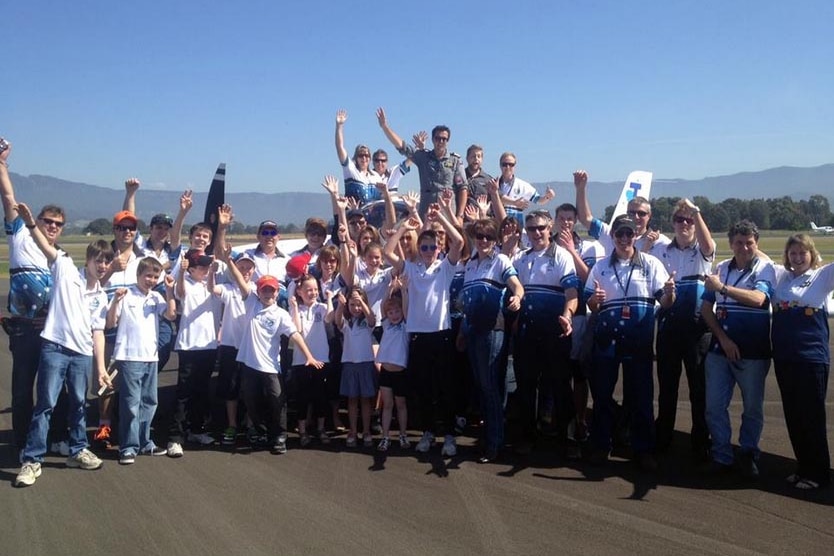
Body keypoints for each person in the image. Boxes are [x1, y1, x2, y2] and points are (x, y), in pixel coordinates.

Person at [13, 203, 111, 487]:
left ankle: (78, 450)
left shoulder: (101, 296)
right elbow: (45, 246)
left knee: (79, 404)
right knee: (45, 403)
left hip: (81, 354)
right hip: (55, 348)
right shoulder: (66, 268)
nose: (102, 266)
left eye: (106, 261)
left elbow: (98, 332)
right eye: (98, 260)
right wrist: (32, 224)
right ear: (88, 260)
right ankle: (32, 459)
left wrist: (101, 368)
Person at [216, 224, 324, 454]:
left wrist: (310, 356)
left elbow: (295, 335)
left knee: (277, 400)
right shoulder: (252, 302)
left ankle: (279, 436)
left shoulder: (282, 314)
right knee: (252, 401)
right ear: (259, 291)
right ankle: (262, 431)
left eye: (271, 290)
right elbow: (239, 280)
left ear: (277, 292)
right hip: (249, 364)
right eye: (264, 290)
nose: (267, 293)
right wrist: (229, 262)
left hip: (270, 367)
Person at [585, 215, 675, 470]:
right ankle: (602, 445)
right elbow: (589, 302)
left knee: (641, 396)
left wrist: (670, 294)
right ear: (612, 236)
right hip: (607, 340)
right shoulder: (601, 266)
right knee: (602, 395)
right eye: (619, 234)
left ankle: (643, 449)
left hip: (639, 341)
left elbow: (666, 303)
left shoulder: (651, 264)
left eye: (629, 234)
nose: (624, 239)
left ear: (636, 235)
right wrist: (596, 301)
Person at [1, 141, 68, 450]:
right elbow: (8, 196)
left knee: (52, 387)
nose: (52, 227)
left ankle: (53, 437)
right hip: (24, 327)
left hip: (52, 330)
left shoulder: (60, 255)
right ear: (37, 221)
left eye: (57, 224)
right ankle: (20, 441)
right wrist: (2, 165)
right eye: (48, 222)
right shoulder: (20, 235)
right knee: (21, 388)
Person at [384, 207, 465, 456]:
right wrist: (404, 228)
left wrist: (439, 217)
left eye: (432, 247)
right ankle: (429, 432)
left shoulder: (445, 267)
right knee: (424, 389)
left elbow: (460, 241)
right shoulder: (410, 268)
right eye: (424, 247)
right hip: (417, 336)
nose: (429, 252)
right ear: (419, 250)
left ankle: (449, 436)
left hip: (441, 335)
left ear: (438, 249)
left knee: (445, 388)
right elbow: (388, 251)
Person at [701, 219, 775, 478]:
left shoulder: (765, 270)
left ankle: (748, 453)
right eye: (739, 243)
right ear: (731, 244)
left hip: (753, 352)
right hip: (721, 350)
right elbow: (705, 308)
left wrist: (722, 288)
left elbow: (758, 299)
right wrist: (722, 338)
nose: (744, 248)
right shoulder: (721, 267)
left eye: (749, 243)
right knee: (714, 406)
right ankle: (722, 454)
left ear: (756, 244)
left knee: (752, 407)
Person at [653, 199, 715, 461]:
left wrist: (696, 211)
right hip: (668, 329)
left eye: (689, 221)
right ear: (673, 224)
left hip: (697, 331)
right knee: (667, 388)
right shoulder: (661, 252)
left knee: (698, 389)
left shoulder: (702, 252)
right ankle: (663, 438)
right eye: (680, 220)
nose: (685, 224)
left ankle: (701, 441)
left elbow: (710, 244)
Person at [512, 210, 578, 455]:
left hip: (555, 331)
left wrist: (568, 316)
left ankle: (568, 439)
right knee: (526, 386)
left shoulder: (562, 256)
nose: (537, 233)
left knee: (561, 385)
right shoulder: (520, 258)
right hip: (528, 332)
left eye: (541, 227)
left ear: (550, 227)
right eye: (531, 229)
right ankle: (528, 436)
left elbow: (572, 293)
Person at [771, 234, 834, 490]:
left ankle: (818, 473)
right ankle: (803, 467)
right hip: (786, 357)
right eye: (793, 254)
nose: (797, 258)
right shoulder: (782, 278)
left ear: (812, 255)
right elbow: (753, 255)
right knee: (794, 415)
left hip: (811, 358)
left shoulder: (822, 276)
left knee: (812, 416)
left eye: (802, 253)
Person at [460, 218, 524, 463]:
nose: (483, 241)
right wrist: (462, 333)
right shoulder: (470, 266)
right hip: (473, 331)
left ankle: (495, 442)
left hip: (493, 330)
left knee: (490, 388)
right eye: (480, 236)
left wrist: (517, 298)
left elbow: (517, 286)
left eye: (488, 237)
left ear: (496, 240)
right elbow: (466, 304)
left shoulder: (500, 260)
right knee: (482, 387)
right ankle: (489, 438)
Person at [106, 257, 178, 464]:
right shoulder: (126, 294)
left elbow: (171, 315)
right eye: (147, 275)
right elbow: (111, 323)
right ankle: (128, 446)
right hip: (129, 355)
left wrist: (170, 290)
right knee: (130, 402)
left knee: (149, 401)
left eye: (155, 276)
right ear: (138, 274)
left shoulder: (156, 297)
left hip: (150, 356)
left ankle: (144, 441)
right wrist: (115, 302)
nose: (151, 280)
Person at [553, 202, 603, 443]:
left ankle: (581, 419)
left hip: (582, 314)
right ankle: (562, 420)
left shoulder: (590, 246)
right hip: (557, 314)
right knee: (558, 371)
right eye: (561, 218)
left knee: (580, 372)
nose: (565, 222)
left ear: (575, 221)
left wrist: (572, 251)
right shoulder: (547, 244)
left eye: (570, 218)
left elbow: (591, 281)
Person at [376, 107, 467, 219]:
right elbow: (402, 146)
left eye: (444, 139)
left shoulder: (455, 160)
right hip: (426, 212)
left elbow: (463, 188)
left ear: (448, 141)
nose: (441, 142)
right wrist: (385, 126)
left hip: (447, 214)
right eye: (438, 138)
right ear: (433, 140)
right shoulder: (423, 157)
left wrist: (460, 215)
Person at [172, 248, 222, 446]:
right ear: (191, 269)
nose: (206, 268)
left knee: (201, 391)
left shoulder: (213, 285)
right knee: (184, 393)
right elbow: (180, 292)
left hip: (209, 346)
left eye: (207, 265)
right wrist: (182, 272)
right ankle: (176, 436)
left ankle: (196, 430)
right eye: (201, 266)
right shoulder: (185, 283)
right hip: (189, 346)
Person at [210, 252, 257, 445]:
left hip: (251, 347)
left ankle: (251, 424)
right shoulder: (228, 288)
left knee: (251, 389)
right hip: (230, 345)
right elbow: (213, 289)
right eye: (242, 267)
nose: (245, 271)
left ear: (254, 270)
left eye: (248, 267)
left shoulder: (257, 289)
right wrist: (212, 271)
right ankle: (232, 424)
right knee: (231, 388)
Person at [574, 169, 670, 255]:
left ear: (649, 215)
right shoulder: (611, 234)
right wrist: (580, 188)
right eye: (631, 213)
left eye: (641, 214)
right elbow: (585, 218)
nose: (636, 217)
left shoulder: (660, 242)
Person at [288, 274, 334, 446]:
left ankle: (321, 429)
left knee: (320, 396)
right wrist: (293, 307)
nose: (312, 293)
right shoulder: (296, 310)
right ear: (300, 291)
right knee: (302, 397)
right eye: (308, 290)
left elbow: (329, 318)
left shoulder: (321, 307)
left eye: (315, 289)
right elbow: (297, 329)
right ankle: (302, 431)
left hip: (321, 358)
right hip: (301, 360)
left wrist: (329, 299)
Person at [334, 285, 377, 448]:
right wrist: (341, 305)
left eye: (358, 304)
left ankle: (366, 431)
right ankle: (353, 431)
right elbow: (337, 321)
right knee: (352, 400)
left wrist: (363, 303)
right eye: (352, 305)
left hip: (365, 363)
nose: (356, 308)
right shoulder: (346, 321)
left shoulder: (367, 321)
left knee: (366, 400)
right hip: (350, 364)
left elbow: (373, 319)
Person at [375, 285, 410, 452]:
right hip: (386, 371)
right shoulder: (386, 325)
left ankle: (403, 435)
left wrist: (403, 291)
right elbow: (383, 305)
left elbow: (406, 307)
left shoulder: (406, 326)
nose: (394, 315)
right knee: (387, 405)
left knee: (401, 404)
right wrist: (388, 289)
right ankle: (385, 437)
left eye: (397, 312)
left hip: (401, 372)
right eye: (391, 313)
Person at [497, 152, 555, 227]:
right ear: (500, 165)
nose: (508, 167)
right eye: (505, 164)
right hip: (497, 225)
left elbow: (539, 201)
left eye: (511, 164)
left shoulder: (522, 185)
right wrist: (514, 202)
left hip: (516, 227)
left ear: (515, 166)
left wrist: (548, 196)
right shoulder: (493, 184)